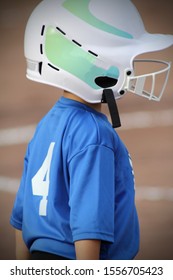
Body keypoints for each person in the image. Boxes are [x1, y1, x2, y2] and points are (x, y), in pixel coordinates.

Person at [10, 0, 173, 260]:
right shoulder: (95, 134)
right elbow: (89, 230)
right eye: (126, 58)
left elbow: (21, 222)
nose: (132, 69)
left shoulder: (45, 126)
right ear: (95, 61)